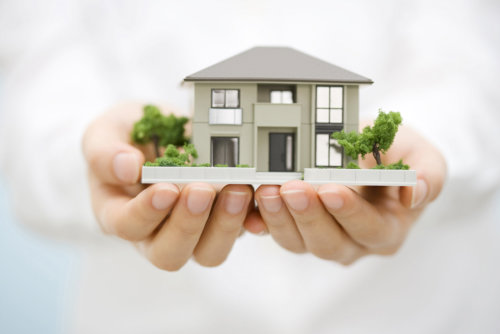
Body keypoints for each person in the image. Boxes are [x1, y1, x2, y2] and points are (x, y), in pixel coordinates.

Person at [1, 0, 499, 333]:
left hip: (420, 313)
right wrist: (97, 161)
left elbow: (469, 64)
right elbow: (37, 81)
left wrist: (428, 155)